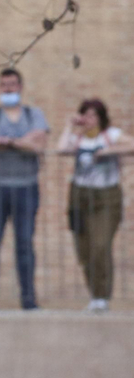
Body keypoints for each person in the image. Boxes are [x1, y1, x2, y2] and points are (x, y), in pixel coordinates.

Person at [0, 68, 49, 310]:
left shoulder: (33, 114)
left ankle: (28, 301)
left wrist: (8, 141)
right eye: (4, 84)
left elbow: (39, 145)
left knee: (25, 244)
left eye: (12, 84)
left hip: (26, 187)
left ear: (20, 86)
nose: (8, 88)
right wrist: (22, 142)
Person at [57, 98, 133, 310]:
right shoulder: (78, 138)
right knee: (84, 249)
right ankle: (94, 296)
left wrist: (109, 151)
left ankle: (103, 295)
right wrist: (69, 125)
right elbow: (61, 148)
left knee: (101, 245)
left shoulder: (111, 135)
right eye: (86, 115)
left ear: (101, 117)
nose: (89, 120)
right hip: (80, 196)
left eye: (93, 116)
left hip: (106, 196)